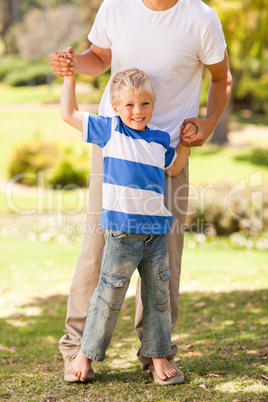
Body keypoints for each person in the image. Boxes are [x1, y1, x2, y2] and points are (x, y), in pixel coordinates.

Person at [49, 0, 232, 382]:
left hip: (167, 153)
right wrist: (72, 66)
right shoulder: (116, 6)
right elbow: (98, 58)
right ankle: (77, 349)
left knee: (164, 262)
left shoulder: (201, 18)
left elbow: (221, 78)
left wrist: (207, 123)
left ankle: (156, 353)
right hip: (115, 151)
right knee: (97, 247)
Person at [61, 66, 197, 384]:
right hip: (121, 234)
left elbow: (175, 167)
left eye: (145, 104)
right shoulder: (109, 131)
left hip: (157, 235)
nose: (138, 111)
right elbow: (69, 114)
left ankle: (158, 356)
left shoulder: (160, 140)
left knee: (157, 298)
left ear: (152, 104)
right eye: (130, 105)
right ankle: (85, 353)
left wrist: (188, 143)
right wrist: (70, 77)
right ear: (116, 107)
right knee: (108, 299)